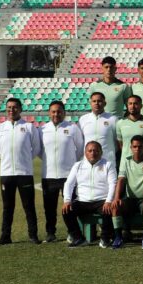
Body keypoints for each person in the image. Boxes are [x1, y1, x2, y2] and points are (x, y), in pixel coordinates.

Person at [0, 97, 42, 245]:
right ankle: (5, 236)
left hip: (25, 174)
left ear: (20, 109)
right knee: (8, 207)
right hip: (6, 174)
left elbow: (36, 148)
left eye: (14, 107)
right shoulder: (0, 128)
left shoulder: (29, 127)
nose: (11, 110)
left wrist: (24, 160)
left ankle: (33, 235)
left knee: (29, 206)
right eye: (8, 108)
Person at [40, 101, 84, 243]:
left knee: (70, 206)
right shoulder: (42, 130)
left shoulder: (72, 128)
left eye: (59, 111)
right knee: (49, 208)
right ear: (49, 113)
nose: (56, 114)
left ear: (64, 113)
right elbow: (40, 152)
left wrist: (71, 164)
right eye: (53, 111)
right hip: (49, 175)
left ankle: (73, 232)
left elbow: (80, 148)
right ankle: (51, 233)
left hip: (68, 176)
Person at [61, 141, 117, 248]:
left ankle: (105, 238)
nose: (93, 153)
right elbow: (69, 183)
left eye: (96, 150)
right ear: (85, 153)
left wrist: (109, 201)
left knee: (108, 210)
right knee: (66, 211)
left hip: (102, 200)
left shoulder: (108, 165)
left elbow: (113, 184)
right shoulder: (78, 165)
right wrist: (67, 201)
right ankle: (78, 238)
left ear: (101, 152)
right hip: (82, 201)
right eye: (90, 151)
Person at [111, 136, 143, 249]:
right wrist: (116, 197)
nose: (137, 149)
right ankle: (118, 238)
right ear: (131, 148)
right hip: (130, 199)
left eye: (140, 146)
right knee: (115, 206)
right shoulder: (126, 161)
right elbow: (121, 180)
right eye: (135, 146)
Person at [78, 91, 118, 166]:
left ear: (104, 103)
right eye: (94, 101)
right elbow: (80, 141)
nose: (96, 103)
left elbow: (117, 142)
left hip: (108, 162)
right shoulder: (83, 119)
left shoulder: (113, 119)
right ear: (90, 103)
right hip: (88, 162)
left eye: (99, 101)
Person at [116, 95, 143, 159]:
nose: (132, 106)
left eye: (135, 104)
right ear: (127, 106)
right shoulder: (120, 123)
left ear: (141, 106)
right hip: (125, 164)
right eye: (130, 104)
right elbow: (120, 144)